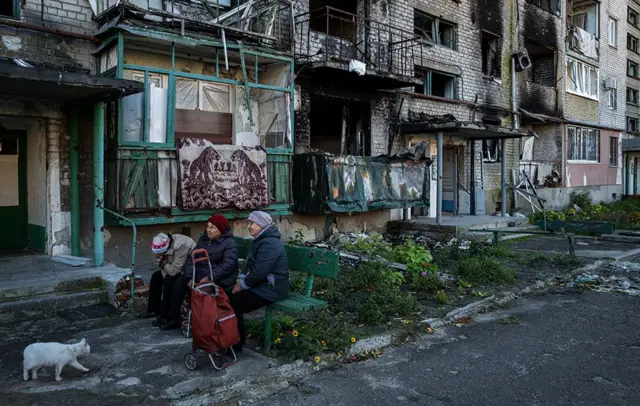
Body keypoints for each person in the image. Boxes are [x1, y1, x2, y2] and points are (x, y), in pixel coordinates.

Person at [161, 214, 239, 331]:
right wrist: (190, 276)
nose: (209, 230)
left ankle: (192, 322)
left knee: (198, 289)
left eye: (212, 227)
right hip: (199, 275)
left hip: (217, 278)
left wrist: (208, 277)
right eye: (208, 226)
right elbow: (191, 258)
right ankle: (171, 317)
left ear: (221, 229)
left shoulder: (229, 243)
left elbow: (227, 266)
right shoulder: (204, 240)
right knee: (175, 281)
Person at [230, 211, 289, 353]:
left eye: (252, 223)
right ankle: (235, 341)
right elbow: (250, 265)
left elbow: (260, 271)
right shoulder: (260, 240)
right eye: (248, 223)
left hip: (274, 289)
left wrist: (242, 286)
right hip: (263, 284)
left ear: (262, 225)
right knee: (230, 296)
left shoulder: (270, 244)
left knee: (235, 302)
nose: (248, 226)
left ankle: (235, 345)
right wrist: (241, 279)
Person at [142, 233, 196, 327]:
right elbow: (166, 268)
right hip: (173, 268)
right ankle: (153, 309)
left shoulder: (182, 245)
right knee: (156, 276)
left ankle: (168, 316)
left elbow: (175, 270)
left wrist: (162, 264)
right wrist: (163, 266)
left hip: (188, 270)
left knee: (170, 281)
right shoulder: (164, 245)